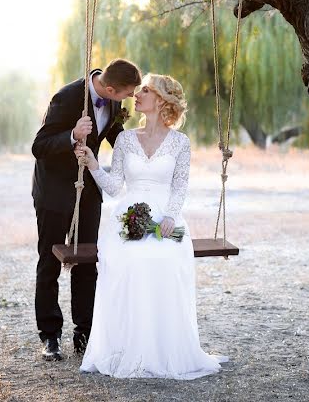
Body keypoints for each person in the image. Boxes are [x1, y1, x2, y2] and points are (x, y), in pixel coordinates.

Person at [74, 74, 227, 379]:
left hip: (165, 217)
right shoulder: (125, 138)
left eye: (145, 90)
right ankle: (127, 347)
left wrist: (170, 217)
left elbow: (180, 186)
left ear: (161, 100)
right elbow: (116, 188)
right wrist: (93, 165)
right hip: (126, 216)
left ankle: (162, 348)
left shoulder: (180, 143)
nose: (136, 94)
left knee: (166, 258)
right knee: (127, 260)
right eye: (138, 90)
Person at [31, 59, 142, 361]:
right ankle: (50, 336)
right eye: (126, 95)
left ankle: (85, 332)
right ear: (109, 89)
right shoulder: (68, 97)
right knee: (50, 261)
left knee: (87, 260)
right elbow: (39, 146)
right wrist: (71, 135)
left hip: (87, 192)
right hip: (54, 191)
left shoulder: (112, 101)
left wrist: (150, 148)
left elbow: (118, 137)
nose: (128, 100)